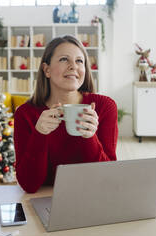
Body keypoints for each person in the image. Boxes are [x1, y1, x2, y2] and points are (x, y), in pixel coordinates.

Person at [13, 35, 118, 193]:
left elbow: (107, 179)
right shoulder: (25, 114)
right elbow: (29, 185)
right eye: (64, 59)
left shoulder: (104, 107)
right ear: (46, 69)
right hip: (43, 199)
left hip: (91, 196)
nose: (73, 66)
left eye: (79, 61)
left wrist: (90, 137)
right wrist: (39, 134)